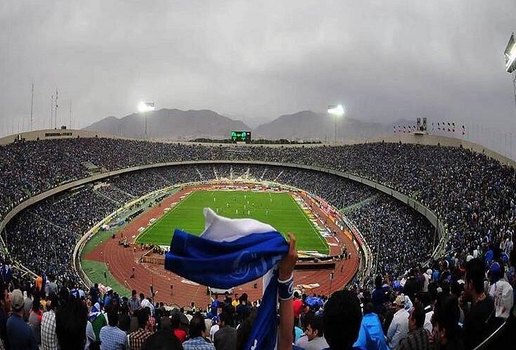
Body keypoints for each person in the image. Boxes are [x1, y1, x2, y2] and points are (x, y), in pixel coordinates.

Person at [463, 258, 495, 349]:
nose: (464, 287)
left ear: (470, 284)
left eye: (465, 282)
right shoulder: (491, 302)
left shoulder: (472, 318)